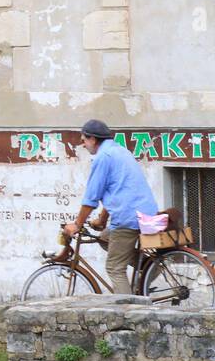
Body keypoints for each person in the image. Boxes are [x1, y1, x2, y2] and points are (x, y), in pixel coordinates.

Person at [62, 119, 158, 294]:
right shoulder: (120, 151)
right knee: (105, 237)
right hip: (144, 212)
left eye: (84, 140)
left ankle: (129, 312)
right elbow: (115, 190)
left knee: (115, 268)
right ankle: (149, 265)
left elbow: (91, 198)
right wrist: (102, 219)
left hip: (128, 217)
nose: (83, 144)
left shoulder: (103, 158)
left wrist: (77, 225)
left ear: (93, 139)